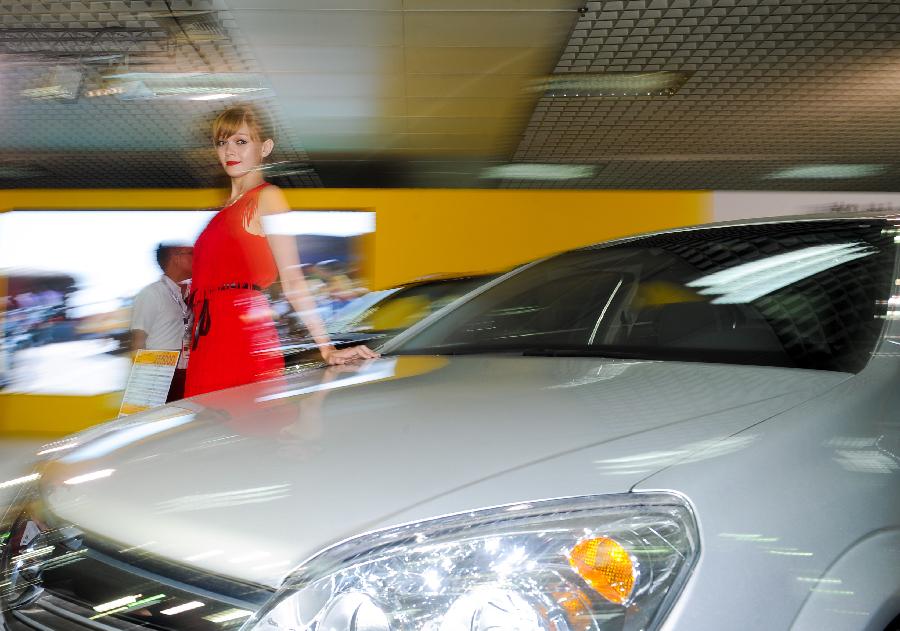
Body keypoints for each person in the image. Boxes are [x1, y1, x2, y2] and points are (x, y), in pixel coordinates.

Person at [185, 104, 377, 397]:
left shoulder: (268, 198)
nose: (229, 152)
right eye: (222, 143)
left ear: (265, 147)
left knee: (243, 425)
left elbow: (293, 281)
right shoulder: (223, 210)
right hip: (206, 336)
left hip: (238, 333)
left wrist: (326, 349)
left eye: (241, 141)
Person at [130, 243, 194, 401]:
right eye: (191, 253)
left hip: (187, 373)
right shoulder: (152, 293)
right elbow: (138, 342)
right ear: (175, 258)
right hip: (160, 376)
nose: (196, 257)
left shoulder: (191, 293)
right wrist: (142, 391)